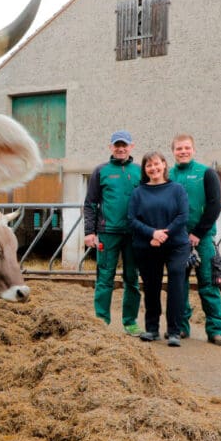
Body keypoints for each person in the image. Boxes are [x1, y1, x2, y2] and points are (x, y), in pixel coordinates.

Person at [170, 134, 221, 346]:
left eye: (187, 148)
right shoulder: (168, 176)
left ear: (193, 150)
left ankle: (216, 329)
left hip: (203, 239)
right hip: (177, 241)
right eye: (179, 148)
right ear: (173, 152)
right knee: (179, 285)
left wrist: (197, 232)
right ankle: (180, 327)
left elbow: (215, 205)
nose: (183, 151)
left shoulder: (206, 173)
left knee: (208, 283)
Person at [127, 151, 190, 347]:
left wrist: (164, 234)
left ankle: (174, 331)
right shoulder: (139, 192)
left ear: (164, 165)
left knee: (176, 284)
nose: (153, 168)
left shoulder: (177, 189)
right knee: (151, 286)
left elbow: (183, 216)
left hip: (176, 245)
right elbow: (132, 219)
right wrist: (152, 234)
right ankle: (152, 329)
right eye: (148, 166)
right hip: (148, 245)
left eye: (156, 164)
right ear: (145, 170)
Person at [83, 130, 141, 335]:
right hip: (108, 232)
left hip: (134, 233)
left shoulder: (139, 171)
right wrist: (89, 232)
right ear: (110, 148)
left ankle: (130, 321)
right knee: (105, 277)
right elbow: (90, 203)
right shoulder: (101, 171)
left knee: (132, 278)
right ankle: (101, 321)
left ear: (131, 146)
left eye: (124, 145)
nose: (120, 148)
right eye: (117, 145)